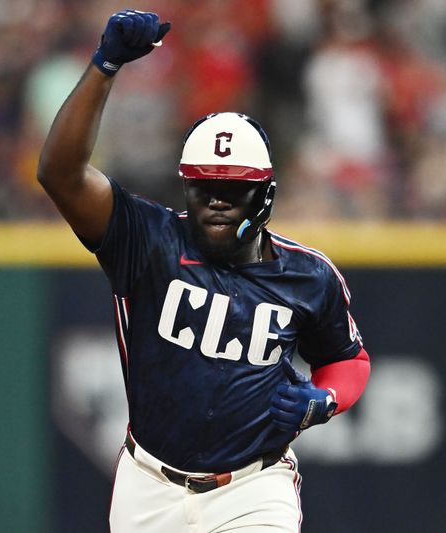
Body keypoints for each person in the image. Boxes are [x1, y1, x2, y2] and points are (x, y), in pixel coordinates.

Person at [38, 10, 371, 532]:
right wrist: (104, 65)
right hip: (148, 484)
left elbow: (347, 360)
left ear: (264, 194)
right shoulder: (147, 240)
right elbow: (59, 173)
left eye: (233, 188)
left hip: (253, 488)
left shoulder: (309, 275)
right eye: (203, 186)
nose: (216, 201)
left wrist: (324, 400)